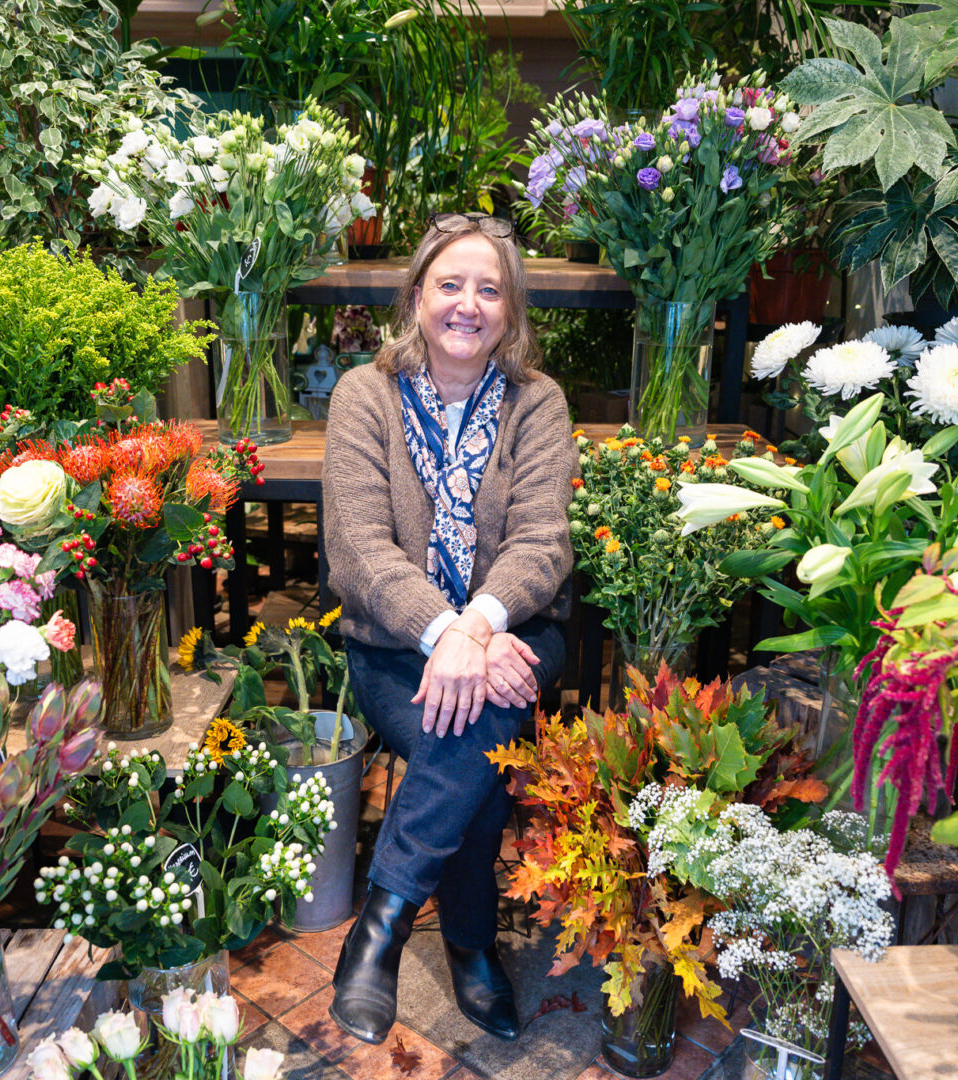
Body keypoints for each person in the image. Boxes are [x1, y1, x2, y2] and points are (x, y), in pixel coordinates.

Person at [321, 213, 575, 1045]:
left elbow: (543, 539)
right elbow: (357, 546)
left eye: (489, 289)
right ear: (418, 297)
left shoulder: (537, 403)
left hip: (514, 630)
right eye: (450, 285)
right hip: (396, 646)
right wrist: (450, 636)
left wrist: (479, 626)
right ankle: (469, 945)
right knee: (472, 737)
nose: (468, 304)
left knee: (471, 718)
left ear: (511, 310)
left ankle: (380, 927)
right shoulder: (365, 394)